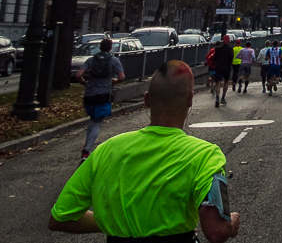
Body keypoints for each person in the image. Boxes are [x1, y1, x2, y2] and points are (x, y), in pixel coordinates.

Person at [49, 60, 241, 242]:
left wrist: (115, 220)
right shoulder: (205, 155)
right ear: (190, 99)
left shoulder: (106, 150)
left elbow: (60, 219)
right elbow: (216, 232)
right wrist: (231, 223)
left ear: (146, 99)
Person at [76, 37, 125, 161]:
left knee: (92, 120)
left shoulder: (91, 60)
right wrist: (115, 81)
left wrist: (84, 83)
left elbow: (78, 75)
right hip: (103, 95)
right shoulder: (114, 60)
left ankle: (86, 145)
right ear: (110, 48)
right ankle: (86, 151)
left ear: (100, 47)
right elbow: (122, 76)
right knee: (97, 123)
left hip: (89, 94)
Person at [212, 35, 234, 108]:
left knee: (218, 83)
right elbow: (231, 59)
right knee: (226, 82)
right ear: (229, 41)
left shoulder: (218, 49)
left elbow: (215, 58)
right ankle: (223, 97)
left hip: (219, 67)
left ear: (223, 40)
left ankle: (217, 97)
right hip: (227, 67)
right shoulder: (231, 49)